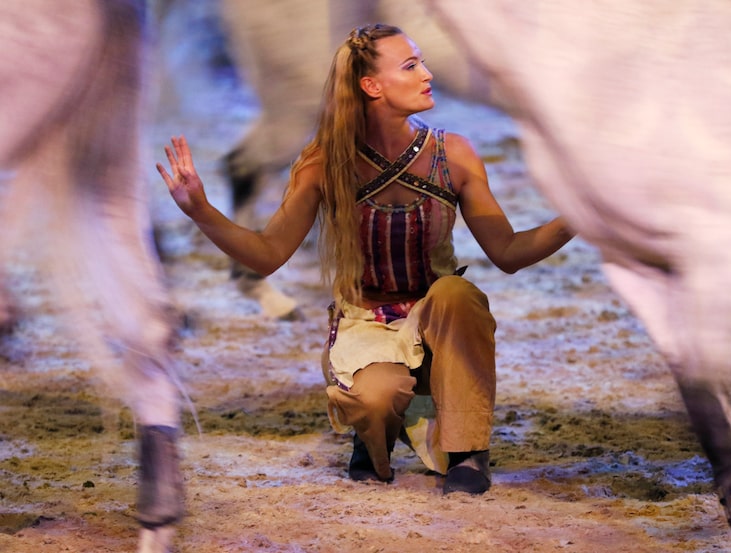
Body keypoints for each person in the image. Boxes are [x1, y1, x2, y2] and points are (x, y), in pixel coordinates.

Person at [158, 23, 574, 495]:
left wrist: (580, 215)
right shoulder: (325, 162)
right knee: (376, 403)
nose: (428, 74)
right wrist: (201, 211)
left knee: (458, 293)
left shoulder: (452, 154)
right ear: (372, 86)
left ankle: (467, 454)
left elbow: (509, 252)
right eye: (411, 65)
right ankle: (374, 429)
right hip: (367, 326)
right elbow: (268, 254)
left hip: (439, 321)